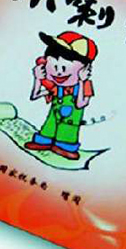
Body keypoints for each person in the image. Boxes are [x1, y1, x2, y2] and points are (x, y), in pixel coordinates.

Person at [24, 31, 98, 160]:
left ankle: (65, 147)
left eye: (64, 68)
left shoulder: (85, 85)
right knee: (49, 126)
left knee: (67, 132)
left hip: (70, 122)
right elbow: (35, 95)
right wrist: (37, 78)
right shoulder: (57, 87)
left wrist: (81, 81)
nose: (58, 73)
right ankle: (44, 141)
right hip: (52, 119)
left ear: (85, 68)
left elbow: (81, 104)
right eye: (54, 67)